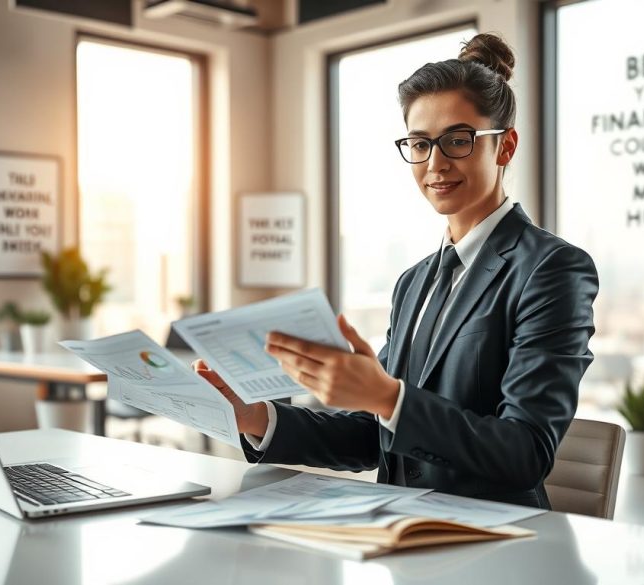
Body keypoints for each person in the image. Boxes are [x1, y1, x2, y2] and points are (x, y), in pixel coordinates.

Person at [194, 32, 598, 509]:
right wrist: (255, 417)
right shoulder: (415, 282)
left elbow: (526, 452)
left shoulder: (552, 269)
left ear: (505, 147)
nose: (436, 163)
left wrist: (389, 398)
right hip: (402, 533)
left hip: (497, 544)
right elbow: (373, 436)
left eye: (458, 141)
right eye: (420, 143)